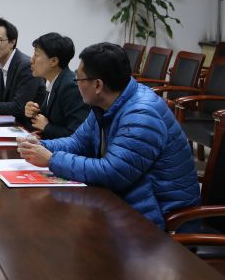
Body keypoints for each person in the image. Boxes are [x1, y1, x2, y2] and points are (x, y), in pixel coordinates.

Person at [17, 42, 200, 230]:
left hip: (162, 222)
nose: (76, 84)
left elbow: (113, 172)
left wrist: (52, 159)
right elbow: (78, 142)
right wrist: (41, 146)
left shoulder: (142, 115)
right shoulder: (105, 104)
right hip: (128, 204)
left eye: (79, 79)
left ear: (97, 85)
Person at [24, 33, 90, 138]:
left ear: (54, 61)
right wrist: (33, 114)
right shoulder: (55, 81)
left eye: (36, 55)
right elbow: (49, 120)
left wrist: (47, 127)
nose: (31, 60)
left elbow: (77, 135)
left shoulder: (71, 86)